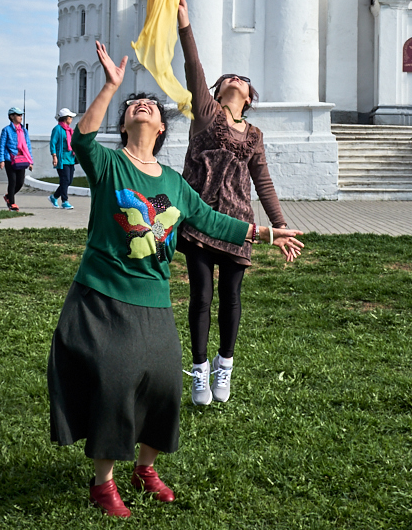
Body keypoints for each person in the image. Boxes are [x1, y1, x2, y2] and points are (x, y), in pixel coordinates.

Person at [47, 40, 304, 518]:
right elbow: (81, 139)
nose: (140, 104)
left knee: (163, 384)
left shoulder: (172, 181)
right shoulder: (109, 165)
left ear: (162, 127)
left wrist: (266, 232)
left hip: (153, 299)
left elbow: (210, 219)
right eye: (131, 106)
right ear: (123, 124)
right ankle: (103, 483)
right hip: (104, 293)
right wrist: (110, 85)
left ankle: (146, 468)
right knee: (115, 380)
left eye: (149, 105)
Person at [176, 0, 292, 407]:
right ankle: (201, 372)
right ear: (220, 91)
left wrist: (277, 227)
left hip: (240, 222)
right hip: (200, 220)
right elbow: (195, 69)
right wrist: (185, 26)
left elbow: (263, 181)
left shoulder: (255, 135)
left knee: (232, 297)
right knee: (202, 295)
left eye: (242, 80)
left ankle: (226, 365)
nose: (236, 80)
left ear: (249, 96)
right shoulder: (207, 115)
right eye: (230, 78)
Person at [0, 108, 32, 210]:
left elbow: (27, 146)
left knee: (20, 182)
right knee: (12, 181)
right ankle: (12, 203)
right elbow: (1, 146)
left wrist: (30, 161)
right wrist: (1, 160)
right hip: (10, 159)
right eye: (18, 115)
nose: (21, 117)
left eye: (21, 115)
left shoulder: (24, 131)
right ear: (12, 117)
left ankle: (8, 196)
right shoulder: (6, 130)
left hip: (22, 159)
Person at [49, 107, 77, 210]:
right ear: (65, 118)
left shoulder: (70, 130)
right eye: (70, 117)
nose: (72, 119)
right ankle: (65, 201)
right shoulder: (57, 129)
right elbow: (53, 143)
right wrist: (54, 156)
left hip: (70, 158)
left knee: (68, 181)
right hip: (62, 159)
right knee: (64, 180)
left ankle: (54, 196)